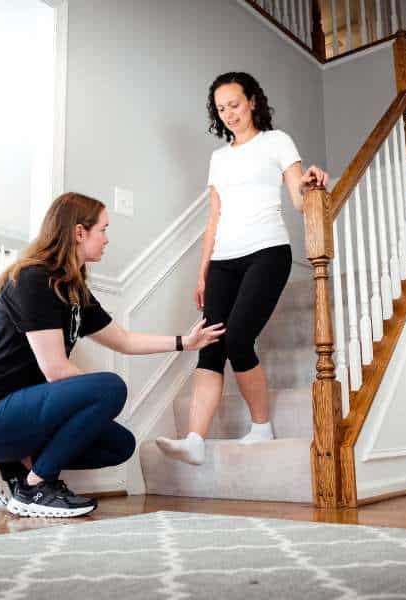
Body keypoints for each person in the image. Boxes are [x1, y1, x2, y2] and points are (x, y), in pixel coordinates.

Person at [0, 192, 225, 518]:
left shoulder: (73, 291)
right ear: (79, 232)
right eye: (103, 229)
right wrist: (96, 398)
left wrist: (185, 341)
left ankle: (19, 467)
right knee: (110, 387)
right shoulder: (32, 279)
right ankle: (36, 487)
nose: (107, 239)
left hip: (25, 413)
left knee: (120, 445)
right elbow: (55, 369)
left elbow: (124, 340)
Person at [156, 72, 328, 465]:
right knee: (211, 344)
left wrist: (312, 183)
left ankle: (262, 426)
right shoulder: (219, 158)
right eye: (221, 108)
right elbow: (214, 218)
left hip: (268, 251)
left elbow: (299, 197)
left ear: (252, 101)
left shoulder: (277, 141)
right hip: (223, 260)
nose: (229, 113)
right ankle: (195, 441)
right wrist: (202, 273)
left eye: (235, 104)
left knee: (237, 339)